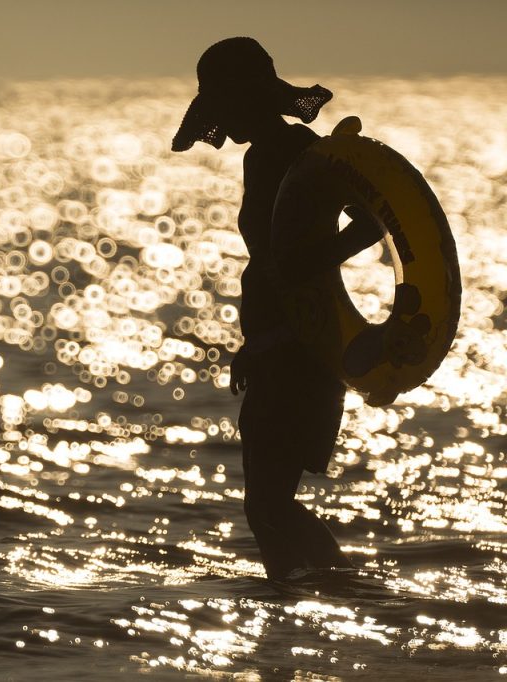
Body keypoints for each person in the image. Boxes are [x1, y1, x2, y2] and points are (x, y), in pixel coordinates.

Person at [171, 37, 384, 579]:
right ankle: (289, 620)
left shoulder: (289, 153)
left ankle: (346, 592)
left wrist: (286, 315)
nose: (221, 118)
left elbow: (350, 230)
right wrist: (255, 345)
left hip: (299, 344)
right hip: (280, 343)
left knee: (268, 505)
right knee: (265, 506)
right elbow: (283, 256)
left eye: (223, 105)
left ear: (247, 100)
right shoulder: (268, 153)